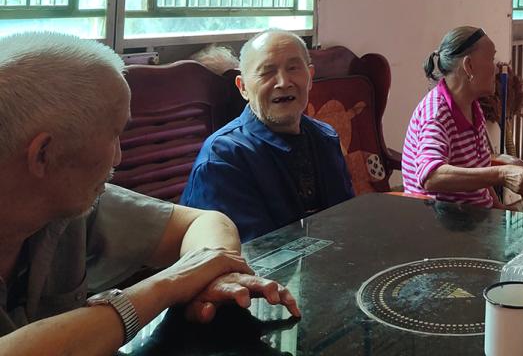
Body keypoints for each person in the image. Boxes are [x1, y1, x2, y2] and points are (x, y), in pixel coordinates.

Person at [0, 32, 299, 355]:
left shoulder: (68, 205)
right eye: (113, 136)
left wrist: (212, 277)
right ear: (43, 154)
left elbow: (203, 222)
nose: (118, 157)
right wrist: (170, 284)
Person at [181, 29, 354, 242]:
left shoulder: (325, 138)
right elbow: (250, 254)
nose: (283, 82)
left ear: (310, 77)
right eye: (267, 72)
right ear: (243, 87)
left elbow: (346, 221)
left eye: (293, 68)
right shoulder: (224, 158)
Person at [402, 27, 523, 206]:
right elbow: (431, 176)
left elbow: (479, 171)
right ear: (469, 66)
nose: (496, 69)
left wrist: (499, 209)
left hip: (471, 214)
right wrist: (502, 174)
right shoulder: (437, 114)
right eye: (491, 59)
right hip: (441, 218)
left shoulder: (472, 106)